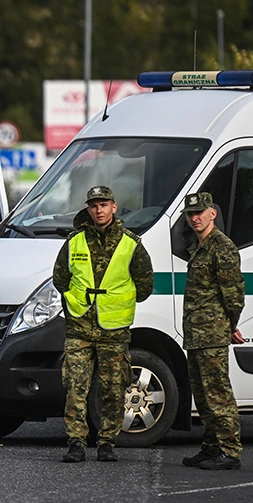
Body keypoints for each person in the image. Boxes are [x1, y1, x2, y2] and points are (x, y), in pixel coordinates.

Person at [52, 186, 153, 463]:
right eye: (94, 205)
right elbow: (60, 278)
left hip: (114, 328)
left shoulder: (130, 243)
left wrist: (118, 301)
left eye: (104, 204)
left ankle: (107, 441)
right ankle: (76, 442)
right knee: (76, 387)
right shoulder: (75, 241)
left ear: (114, 207)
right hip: (80, 326)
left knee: (113, 387)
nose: (99, 210)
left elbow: (145, 284)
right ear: (88, 209)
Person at [180, 191, 246, 471]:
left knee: (218, 393)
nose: (195, 218)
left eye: (200, 213)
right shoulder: (199, 246)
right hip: (197, 334)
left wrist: (229, 326)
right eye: (190, 214)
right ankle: (211, 447)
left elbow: (234, 296)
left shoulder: (222, 247)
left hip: (212, 335)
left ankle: (229, 451)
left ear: (212, 214)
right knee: (203, 396)